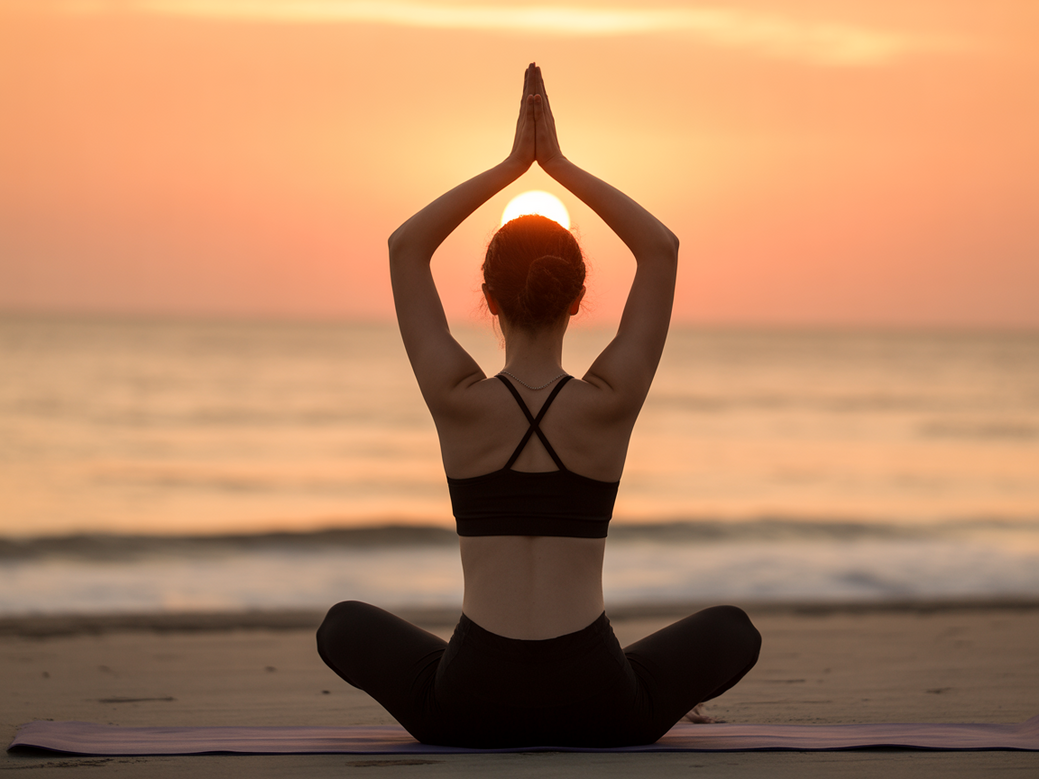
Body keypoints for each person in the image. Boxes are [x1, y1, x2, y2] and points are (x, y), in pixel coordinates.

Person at [317, 63, 760, 748]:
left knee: (341, 624)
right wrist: (556, 164)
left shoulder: (457, 400)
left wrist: (510, 166)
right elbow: (660, 249)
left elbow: (405, 248)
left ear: (488, 299)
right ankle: (650, 699)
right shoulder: (608, 403)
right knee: (734, 630)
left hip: (468, 702)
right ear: (577, 300)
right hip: (599, 702)